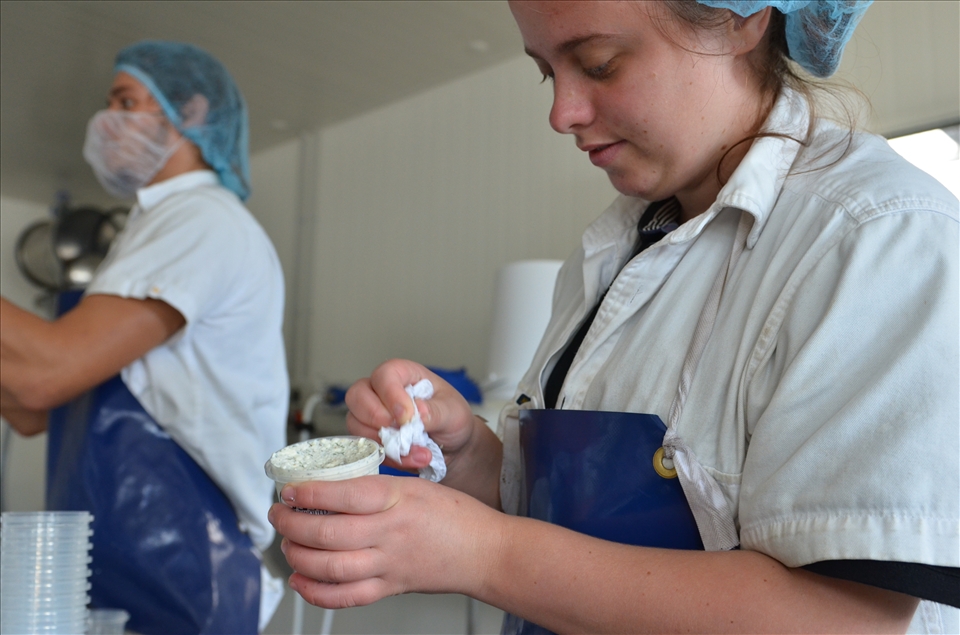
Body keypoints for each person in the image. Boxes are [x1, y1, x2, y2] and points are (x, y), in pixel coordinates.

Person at [268, 2, 958, 633]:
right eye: (548, 74)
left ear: (741, 19)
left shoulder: (876, 237)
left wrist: (484, 554)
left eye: (599, 64)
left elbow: (843, 620)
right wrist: (469, 454)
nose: (561, 113)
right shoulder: (614, 248)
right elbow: (577, 521)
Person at [1, 41, 288, 634]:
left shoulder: (202, 218)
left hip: (189, 562)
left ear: (193, 112)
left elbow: (46, 374)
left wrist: (37, 367)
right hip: (120, 553)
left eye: (126, 102)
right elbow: (35, 409)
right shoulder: (148, 229)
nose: (106, 121)